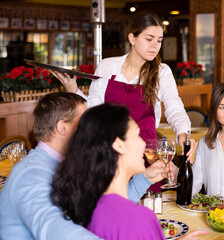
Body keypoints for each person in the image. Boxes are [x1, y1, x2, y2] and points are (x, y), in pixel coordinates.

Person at [51, 103, 224, 240]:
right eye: (137, 136)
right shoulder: (138, 218)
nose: (144, 144)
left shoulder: (90, 204)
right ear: (119, 145)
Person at [51, 14, 195, 192]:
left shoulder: (162, 72)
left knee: (146, 206)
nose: (155, 46)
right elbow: (94, 111)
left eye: (159, 40)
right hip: (109, 155)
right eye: (149, 39)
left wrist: (183, 133)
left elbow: (174, 106)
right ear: (132, 38)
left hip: (145, 155)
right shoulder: (107, 67)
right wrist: (73, 89)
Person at [0, 92, 170, 240]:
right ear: (62, 127)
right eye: (83, 123)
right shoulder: (31, 174)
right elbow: (58, 233)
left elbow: (108, 209)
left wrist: (145, 178)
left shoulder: (70, 165)